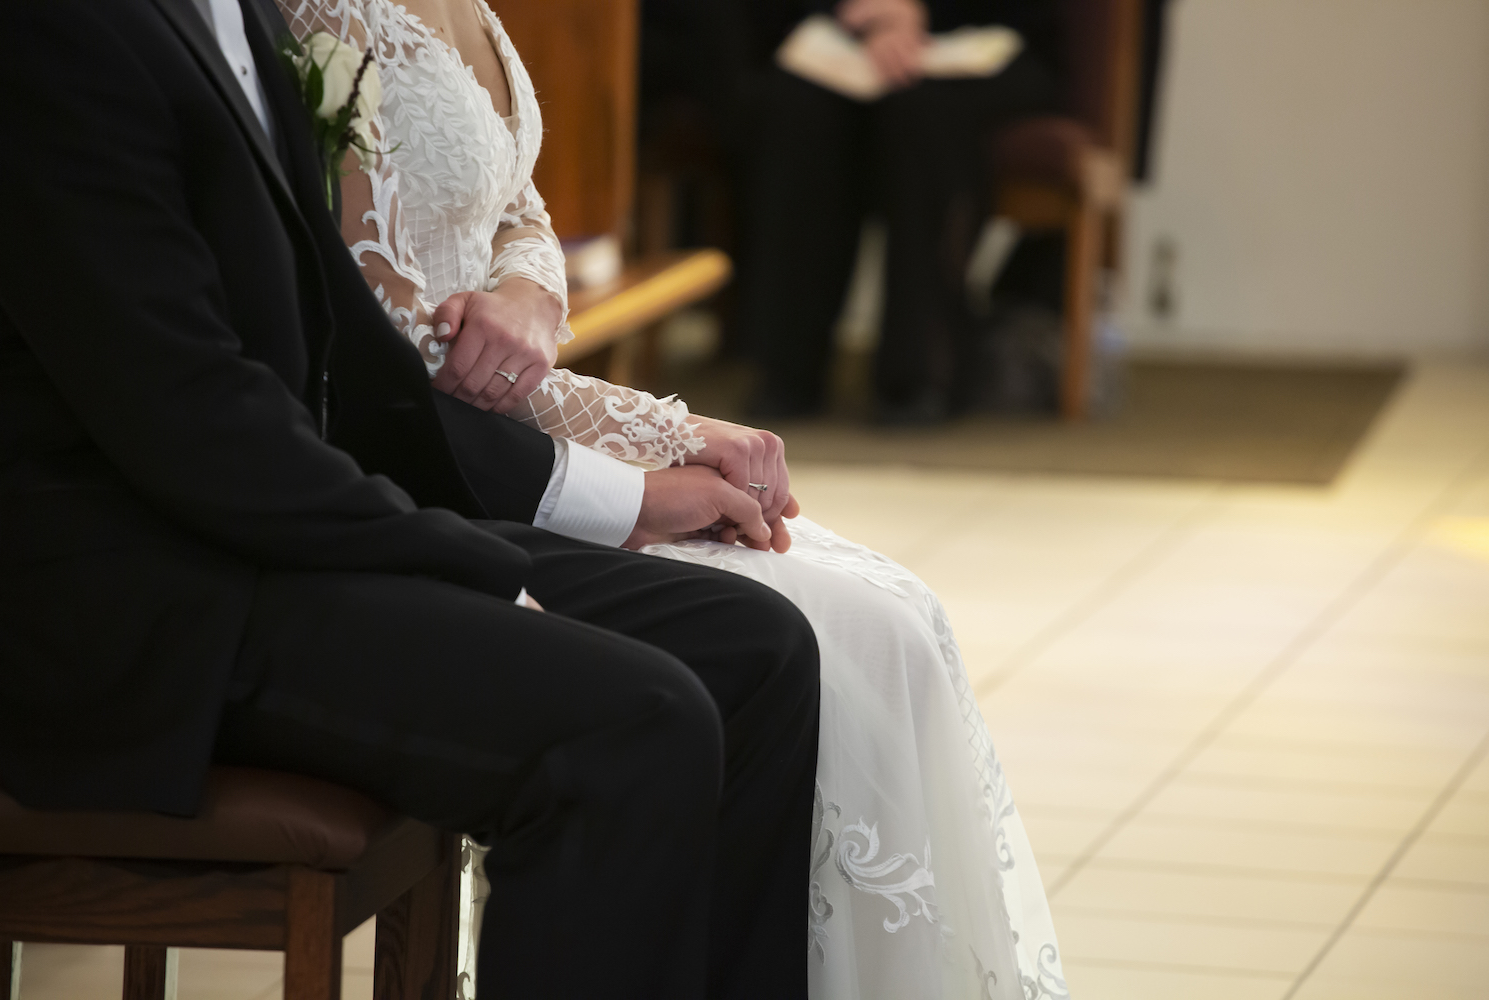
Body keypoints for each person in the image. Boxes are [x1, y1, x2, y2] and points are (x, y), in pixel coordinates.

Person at [0, 1, 822, 997]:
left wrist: (618, 494)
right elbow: (191, 413)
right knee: (633, 725)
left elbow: (345, 354)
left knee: (756, 649)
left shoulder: (235, 13)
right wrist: (459, 562)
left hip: (260, 527)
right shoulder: (51, 28)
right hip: (135, 594)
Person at [277, 1, 1070, 996]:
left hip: (504, 430)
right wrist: (663, 444)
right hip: (433, 471)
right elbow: (409, 362)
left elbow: (518, 216)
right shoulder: (312, 23)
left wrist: (532, 295)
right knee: (829, 638)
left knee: (898, 615)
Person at [735, 0, 1063, 422]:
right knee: (799, 102)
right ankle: (786, 369)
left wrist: (917, 14)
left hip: (985, 37)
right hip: (845, 36)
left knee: (922, 112)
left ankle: (922, 369)